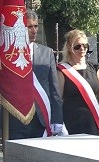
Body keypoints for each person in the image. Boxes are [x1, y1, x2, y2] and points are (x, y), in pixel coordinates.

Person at [6, 9, 66, 139]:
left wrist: (57, 118)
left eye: (36, 26)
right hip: (16, 119)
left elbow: (54, 89)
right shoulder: (9, 55)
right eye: (29, 27)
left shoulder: (47, 53)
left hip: (41, 118)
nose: (34, 31)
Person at [57, 30, 99, 137]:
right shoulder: (62, 70)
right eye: (77, 46)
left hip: (93, 119)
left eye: (85, 46)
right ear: (69, 47)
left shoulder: (95, 67)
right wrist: (59, 122)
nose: (82, 49)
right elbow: (59, 99)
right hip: (72, 119)